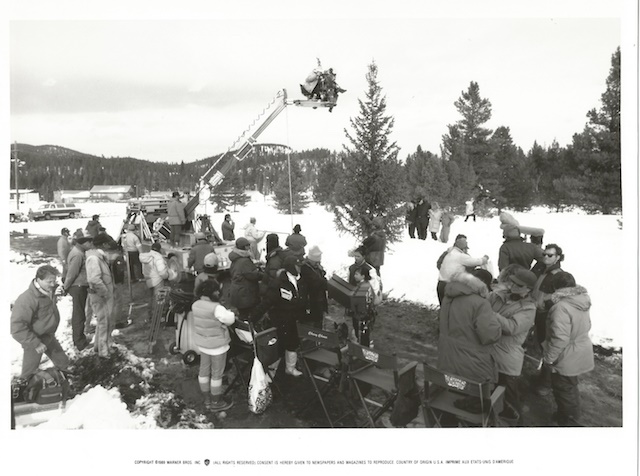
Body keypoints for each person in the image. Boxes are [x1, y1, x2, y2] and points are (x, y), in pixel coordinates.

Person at [543, 272, 594, 426]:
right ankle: (564, 415)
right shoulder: (580, 300)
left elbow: (560, 338)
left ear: (555, 287)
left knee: (563, 389)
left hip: (567, 355)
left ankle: (570, 422)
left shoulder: (561, 307)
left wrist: (549, 358)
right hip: (580, 350)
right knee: (570, 386)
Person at [489, 268, 537, 423]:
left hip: (506, 361)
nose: (513, 286)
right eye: (513, 282)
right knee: (490, 398)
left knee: (509, 404)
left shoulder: (529, 308)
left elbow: (511, 328)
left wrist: (491, 314)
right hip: (488, 355)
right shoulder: (498, 296)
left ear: (528, 289)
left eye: (519, 285)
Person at [438, 268, 502, 384]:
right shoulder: (480, 303)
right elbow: (489, 336)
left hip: (447, 357)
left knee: (454, 386)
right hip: (471, 364)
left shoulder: (448, 297)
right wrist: (497, 324)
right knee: (474, 392)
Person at [251, 255, 309, 377]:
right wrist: (253, 317)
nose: (300, 268)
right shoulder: (279, 282)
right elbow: (267, 301)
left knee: (293, 343)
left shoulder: (302, 280)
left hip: (295, 319)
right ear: (291, 267)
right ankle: (270, 373)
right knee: (279, 346)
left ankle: (290, 367)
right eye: (298, 266)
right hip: (281, 319)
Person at [11, 265, 70, 379]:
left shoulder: (49, 289)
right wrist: (36, 343)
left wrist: (61, 290)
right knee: (29, 373)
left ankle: (63, 387)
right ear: (38, 280)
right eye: (49, 282)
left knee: (63, 362)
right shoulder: (26, 300)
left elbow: (56, 288)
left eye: (54, 281)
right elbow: (16, 328)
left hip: (48, 336)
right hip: (34, 340)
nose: (53, 284)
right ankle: (25, 393)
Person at [192, 279, 236, 411]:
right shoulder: (217, 308)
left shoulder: (196, 304)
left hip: (203, 344)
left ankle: (207, 400)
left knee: (204, 371)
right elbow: (230, 319)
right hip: (217, 346)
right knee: (217, 374)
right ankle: (216, 402)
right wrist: (230, 313)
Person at [531, 243, 565, 395]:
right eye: (544, 254)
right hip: (535, 312)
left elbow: (562, 295)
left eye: (550, 255)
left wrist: (546, 304)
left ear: (558, 257)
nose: (546, 257)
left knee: (547, 346)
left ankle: (546, 382)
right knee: (539, 344)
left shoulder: (559, 275)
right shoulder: (540, 269)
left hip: (546, 315)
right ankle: (542, 377)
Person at [86, 234, 116, 358]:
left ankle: (99, 347)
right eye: (108, 243)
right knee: (105, 323)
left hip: (102, 295)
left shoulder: (99, 257)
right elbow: (94, 279)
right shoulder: (94, 259)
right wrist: (105, 293)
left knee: (103, 322)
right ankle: (104, 351)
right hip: (101, 296)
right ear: (104, 245)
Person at [437, 234, 489, 305]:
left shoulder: (449, 254)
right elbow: (478, 261)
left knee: (444, 309)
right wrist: (485, 258)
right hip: (450, 286)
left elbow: (439, 264)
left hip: (440, 284)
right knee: (452, 310)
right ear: (463, 248)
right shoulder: (461, 256)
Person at [63, 236, 94, 350]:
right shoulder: (78, 254)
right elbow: (72, 273)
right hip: (78, 286)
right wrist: (65, 287)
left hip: (79, 286)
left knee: (79, 313)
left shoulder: (78, 252)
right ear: (84, 243)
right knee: (79, 314)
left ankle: (80, 338)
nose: (91, 246)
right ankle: (79, 342)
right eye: (90, 243)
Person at [229, 237, 263, 322]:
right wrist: (263, 274)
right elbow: (252, 275)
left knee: (243, 315)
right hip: (245, 293)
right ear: (243, 247)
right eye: (247, 246)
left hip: (238, 292)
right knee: (249, 315)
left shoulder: (236, 258)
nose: (249, 248)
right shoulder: (244, 260)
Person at [140, 242, 170, 322]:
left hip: (149, 279)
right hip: (158, 280)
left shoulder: (146, 257)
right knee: (159, 299)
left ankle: (150, 316)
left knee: (150, 299)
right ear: (160, 249)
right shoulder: (158, 258)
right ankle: (158, 317)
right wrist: (167, 276)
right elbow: (162, 272)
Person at [300, 245, 328, 328]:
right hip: (311, 301)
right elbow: (317, 283)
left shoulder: (316, 268)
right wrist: (324, 281)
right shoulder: (305, 268)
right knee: (311, 325)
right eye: (315, 261)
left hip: (319, 300)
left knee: (319, 323)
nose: (317, 263)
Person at [349, 266, 377, 347]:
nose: (354, 275)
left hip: (362, 316)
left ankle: (362, 353)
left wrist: (357, 315)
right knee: (365, 335)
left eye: (357, 274)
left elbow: (360, 303)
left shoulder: (363, 287)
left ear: (363, 276)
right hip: (367, 315)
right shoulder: (367, 285)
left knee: (362, 337)